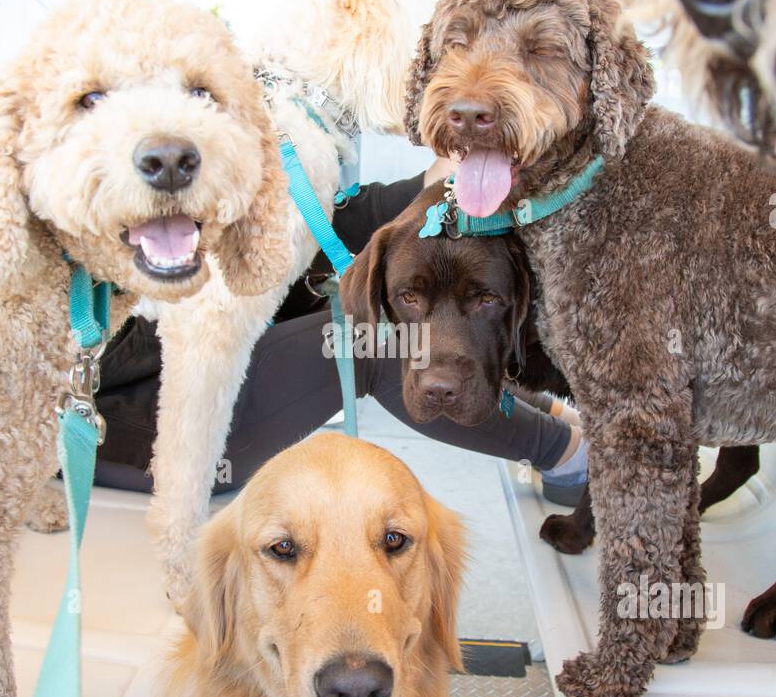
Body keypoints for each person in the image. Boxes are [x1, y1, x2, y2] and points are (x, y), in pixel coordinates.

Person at [92, 163, 589, 503]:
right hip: (151, 429)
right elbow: (127, 349)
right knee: (371, 339)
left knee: (316, 279)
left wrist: (427, 183)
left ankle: (547, 408)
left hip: (187, 379)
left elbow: (305, 228)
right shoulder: (65, 259)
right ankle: (565, 455)